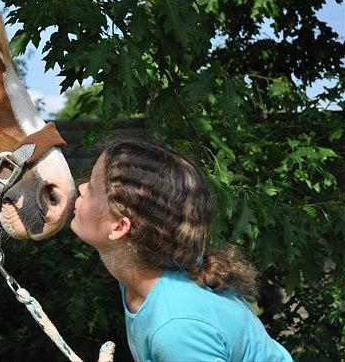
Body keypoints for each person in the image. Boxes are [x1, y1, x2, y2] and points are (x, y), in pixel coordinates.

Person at [70, 139, 292, 362]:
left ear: (119, 227)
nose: (80, 188)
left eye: (91, 188)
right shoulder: (141, 275)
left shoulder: (176, 326)